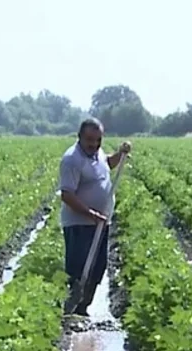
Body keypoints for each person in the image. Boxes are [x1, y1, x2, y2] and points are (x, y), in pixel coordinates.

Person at [58, 117, 131, 316]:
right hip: (79, 223)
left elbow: (106, 164)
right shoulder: (72, 159)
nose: (94, 144)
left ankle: (83, 308)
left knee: (98, 266)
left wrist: (120, 155)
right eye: (90, 139)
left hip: (100, 222)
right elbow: (67, 195)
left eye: (98, 140)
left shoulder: (96, 153)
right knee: (79, 268)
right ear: (79, 137)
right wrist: (90, 213)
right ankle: (71, 309)